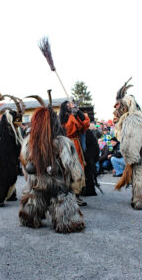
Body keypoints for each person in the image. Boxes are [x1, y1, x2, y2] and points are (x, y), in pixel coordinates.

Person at [19, 95, 85, 233]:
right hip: (58, 183)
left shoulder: (28, 143)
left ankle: (30, 217)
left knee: (34, 195)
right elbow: (74, 169)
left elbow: (25, 166)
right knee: (62, 197)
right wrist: (76, 179)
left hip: (37, 182)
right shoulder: (63, 143)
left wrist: (30, 177)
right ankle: (66, 221)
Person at [113, 78, 142, 209]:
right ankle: (140, 198)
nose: (116, 110)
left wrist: (130, 158)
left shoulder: (132, 119)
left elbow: (131, 141)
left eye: (118, 106)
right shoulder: (136, 116)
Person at [59, 100, 90, 206]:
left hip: (76, 144)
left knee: (79, 169)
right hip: (67, 145)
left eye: (70, 105)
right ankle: (68, 195)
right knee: (69, 170)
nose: (70, 106)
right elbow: (68, 130)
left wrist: (79, 113)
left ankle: (77, 195)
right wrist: (72, 115)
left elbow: (85, 125)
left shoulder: (74, 115)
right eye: (67, 105)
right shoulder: (62, 119)